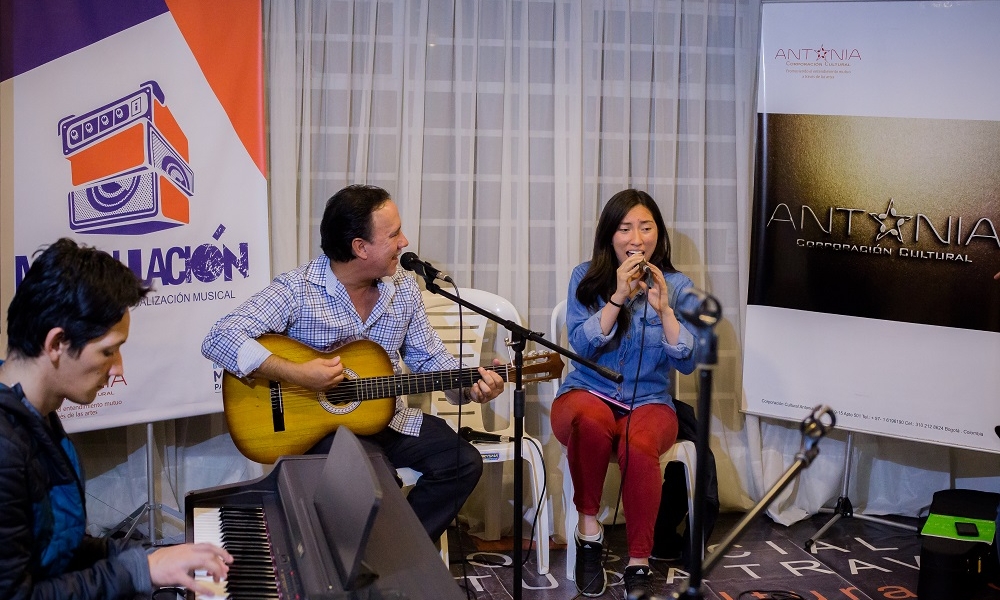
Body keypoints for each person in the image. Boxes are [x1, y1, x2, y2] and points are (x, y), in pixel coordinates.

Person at [202, 184, 505, 542]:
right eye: (393, 234)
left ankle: (401, 554)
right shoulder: (298, 289)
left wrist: (470, 386)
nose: (404, 241)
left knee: (462, 463)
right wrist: (298, 373)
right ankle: (379, 562)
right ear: (360, 248)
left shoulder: (405, 289)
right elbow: (219, 338)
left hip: (391, 418)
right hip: (327, 430)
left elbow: (429, 359)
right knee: (376, 487)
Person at [0, 238, 233, 599]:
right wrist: (143, 570)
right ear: (57, 343)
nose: (117, 369)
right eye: (108, 351)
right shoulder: (5, 450)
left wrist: (152, 557)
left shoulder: (36, 415)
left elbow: (59, 548)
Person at [552, 189, 697, 598]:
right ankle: (589, 532)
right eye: (625, 228)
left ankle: (638, 561)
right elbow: (581, 345)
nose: (636, 238)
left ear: (658, 234)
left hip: (649, 401)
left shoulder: (679, 284)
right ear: (609, 236)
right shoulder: (585, 277)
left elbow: (686, 361)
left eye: (646, 227)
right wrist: (617, 296)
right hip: (587, 392)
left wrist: (665, 309)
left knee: (639, 442)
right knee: (591, 422)